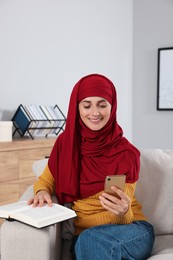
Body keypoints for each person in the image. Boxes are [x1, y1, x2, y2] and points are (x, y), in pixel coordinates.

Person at [28, 74, 155, 259]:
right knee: (88, 240)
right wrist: (41, 193)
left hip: (132, 230)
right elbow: (45, 181)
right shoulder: (66, 143)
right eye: (87, 105)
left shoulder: (126, 152)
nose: (95, 113)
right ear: (76, 107)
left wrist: (124, 211)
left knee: (91, 240)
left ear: (112, 107)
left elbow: (125, 219)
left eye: (102, 105)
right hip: (84, 238)